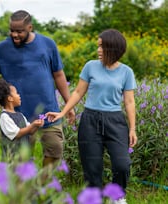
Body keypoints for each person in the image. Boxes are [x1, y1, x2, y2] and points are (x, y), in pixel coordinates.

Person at [0, 10, 75, 167]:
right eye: (12, 31)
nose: (15, 35)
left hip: (48, 113)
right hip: (17, 117)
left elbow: (59, 75)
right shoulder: (1, 50)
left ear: (30, 27)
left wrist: (69, 104)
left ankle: (41, 186)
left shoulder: (48, 44)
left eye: (19, 31)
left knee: (55, 152)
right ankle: (24, 190)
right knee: (17, 164)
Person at [46, 29, 137, 204]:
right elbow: (78, 92)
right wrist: (63, 112)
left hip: (115, 121)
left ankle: (117, 197)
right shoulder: (90, 66)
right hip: (90, 121)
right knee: (92, 168)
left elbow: (130, 102)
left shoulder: (126, 72)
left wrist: (132, 129)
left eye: (101, 46)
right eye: (98, 46)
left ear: (113, 47)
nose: (99, 50)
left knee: (122, 164)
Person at [0, 78, 44, 160]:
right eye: (17, 93)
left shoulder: (20, 115)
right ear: (10, 98)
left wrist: (37, 125)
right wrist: (33, 125)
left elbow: (30, 131)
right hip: (12, 158)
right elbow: (17, 134)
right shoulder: (4, 117)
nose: (19, 96)